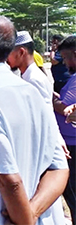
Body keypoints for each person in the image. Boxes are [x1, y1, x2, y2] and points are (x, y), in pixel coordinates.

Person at [0, 15, 69, 224]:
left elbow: (8, 180)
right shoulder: (30, 92)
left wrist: (25, 218)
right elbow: (59, 168)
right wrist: (33, 211)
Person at [8, 31, 67, 224]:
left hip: (42, 143)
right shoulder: (28, 76)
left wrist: (57, 141)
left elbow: (45, 115)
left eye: (10, 52)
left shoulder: (33, 79)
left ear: (21, 52)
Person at [52, 35, 76, 221]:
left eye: (66, 57)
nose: (65, 63)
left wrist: (52, 99)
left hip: (72, 147)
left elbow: (64, 107)